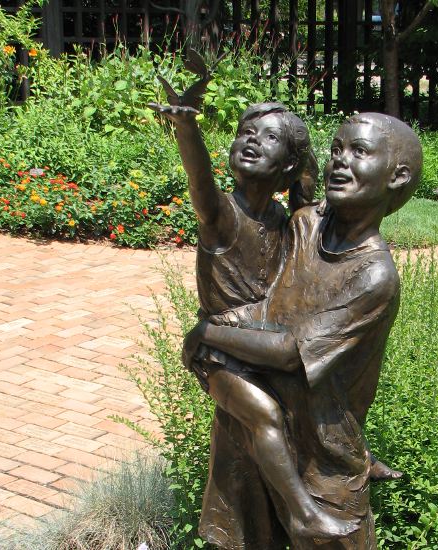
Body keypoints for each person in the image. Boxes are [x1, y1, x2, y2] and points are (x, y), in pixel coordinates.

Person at [185, 113, 423, 549]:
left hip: (324, 461)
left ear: (398, 176)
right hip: (255, 430)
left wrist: (205, 333)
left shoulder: (373, 276)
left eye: (359, 152)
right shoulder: (305, 224)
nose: (341, 162)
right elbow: (262, 297)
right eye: (336, 150)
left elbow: (289, 351)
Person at [149, 95, 361, 540]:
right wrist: (187, 129)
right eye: (246, 132)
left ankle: (349, 461)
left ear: (286, 168)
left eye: (268, 138)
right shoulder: (223, 216)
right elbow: (200, 183)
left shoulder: (282, 216)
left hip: (259, 347)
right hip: (218, 354)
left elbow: (306, 190)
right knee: (264, 414)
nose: (251, 141)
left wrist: (294, 142)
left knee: (309, 398)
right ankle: (302, 510)